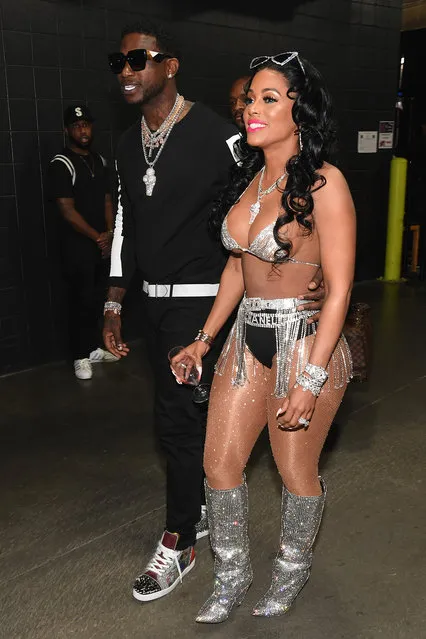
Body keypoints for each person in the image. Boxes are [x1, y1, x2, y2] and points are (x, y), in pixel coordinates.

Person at [103, 22, 326, 604]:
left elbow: (281, 202)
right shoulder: (126, 145)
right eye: (118, 62)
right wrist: (114, 298)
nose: (126, 70)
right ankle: (200, 508)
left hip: (204, 305)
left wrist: (316, 271)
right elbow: (125, 225)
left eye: (138, 59)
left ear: (169, 65)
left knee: (176, 423)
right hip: (153, 306)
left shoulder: (221, 137)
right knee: (187, 427)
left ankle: (179, 539)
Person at [172, 51, 356, 623]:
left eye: (268, 98)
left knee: (295, 470)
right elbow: (237, 268)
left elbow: (342, 288)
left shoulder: (326, 182)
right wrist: (202, 338)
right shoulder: (250, 181)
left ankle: (290, 571)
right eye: (250, 98)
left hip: (305, 342)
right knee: (218, 463)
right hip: (244, 341)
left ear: (300, 110)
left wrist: (312, 377)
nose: (252, 108)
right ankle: (232, 573)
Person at [49, 104, 118, 380]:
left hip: (100, 245)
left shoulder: (100, 161)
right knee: (78, 301)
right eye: (77, 125)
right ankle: (80, 356)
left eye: (86, 124)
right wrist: (97, 236)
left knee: (95, 299)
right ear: (67, 130)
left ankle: (91, 349)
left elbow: (106, 200)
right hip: (77, 245)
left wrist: (110, 232)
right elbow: (66, 209)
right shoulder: (61, 163)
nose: (83, 130)